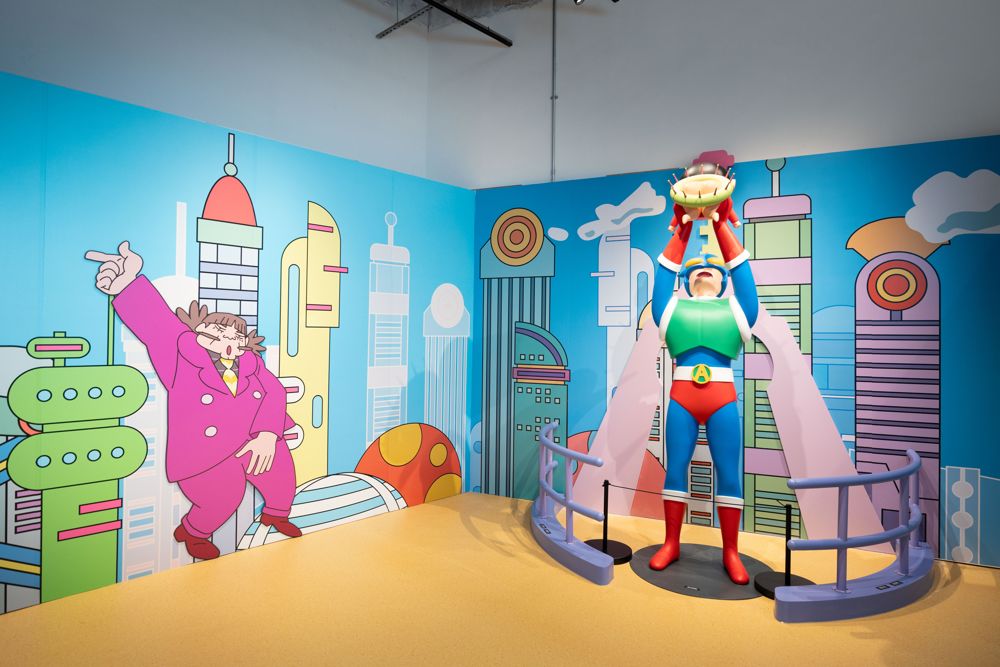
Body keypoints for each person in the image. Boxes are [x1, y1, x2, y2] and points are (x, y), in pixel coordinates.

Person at [85, 241, 301, 560]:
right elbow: (157, 325)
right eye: (217, 332)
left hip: (252, 438)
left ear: (243, 343)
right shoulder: (182, 358)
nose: (227, 339)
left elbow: (275, 393)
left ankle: (276, 514)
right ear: (199, 332)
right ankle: (193, 531)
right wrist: (128, 284)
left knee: (280, 473)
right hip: (205, 452)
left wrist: (268, 434)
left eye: (235, 336)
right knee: (223, 497)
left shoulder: (253, 366)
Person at [648, 164, 759, 584]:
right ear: (687, 278)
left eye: (713, 265)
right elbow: (663, 277)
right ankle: (671, 542)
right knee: (675, 468)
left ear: (723, 277)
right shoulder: (671, 309)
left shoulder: (736, 309)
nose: (706, 266)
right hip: (682, 399)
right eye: (697, 266)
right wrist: (682, 226)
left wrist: (719, 221)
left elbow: (744, 276)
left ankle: (731, 551)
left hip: (722, 400)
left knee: (729, 472)